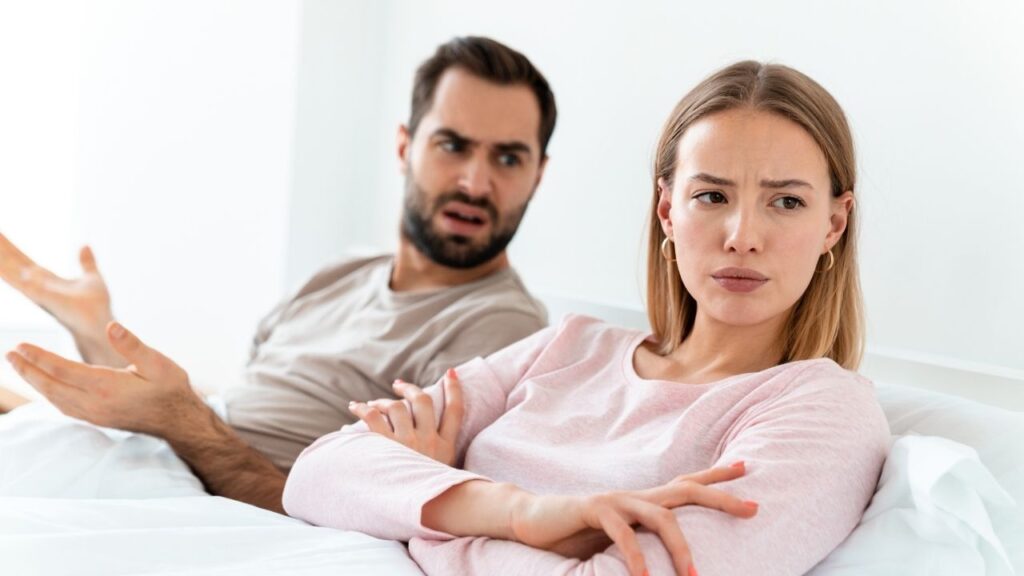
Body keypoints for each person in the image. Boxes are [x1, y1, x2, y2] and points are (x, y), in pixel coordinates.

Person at [282, 61, 891, 576]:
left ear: (833, 224)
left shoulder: (822, 410)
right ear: (667, 211)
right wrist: (528, 516)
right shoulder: (571, 345)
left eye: (787, 201)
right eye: (712, 196)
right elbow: (317, 474)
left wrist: (426, 514)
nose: (742, 236)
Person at [0, 36, 556, 514]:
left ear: (537, 176)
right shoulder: (342, 275)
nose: (475, 183)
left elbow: (380, 512)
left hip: (215, 495)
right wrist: (97, 331)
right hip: (163, 464)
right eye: (452, 146)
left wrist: (182, 421)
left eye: (508, 158)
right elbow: (233, 413)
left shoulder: (504, 331)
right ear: (404, 146)